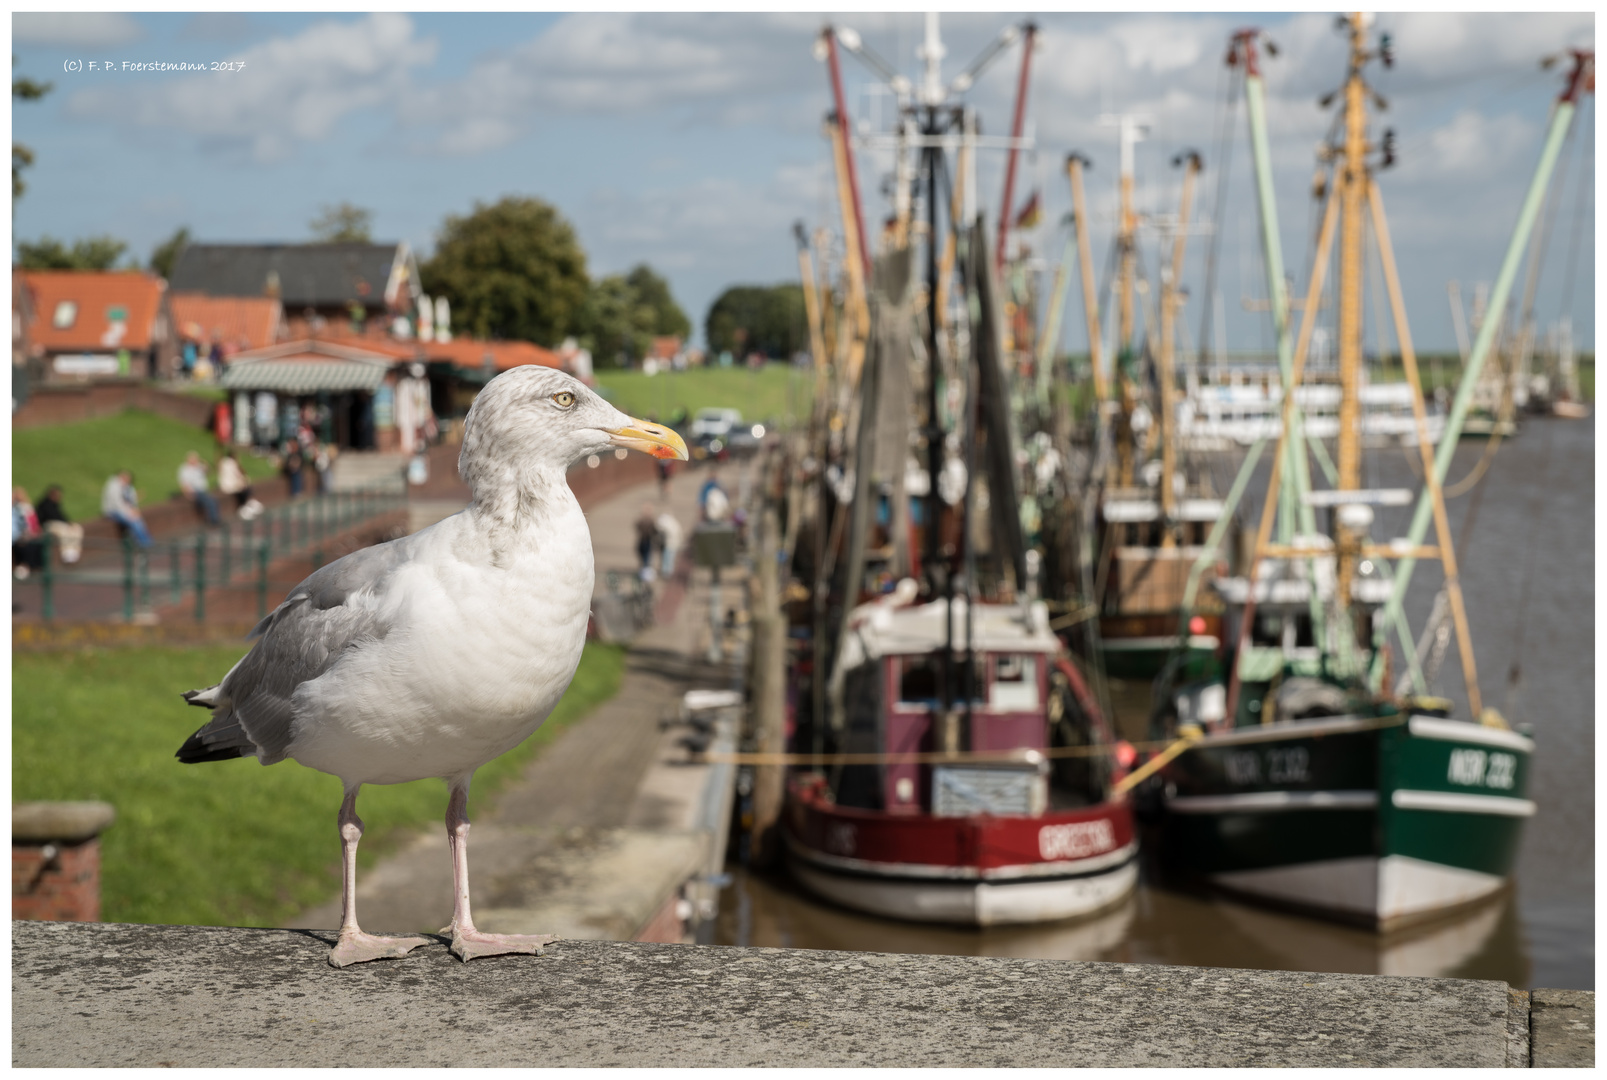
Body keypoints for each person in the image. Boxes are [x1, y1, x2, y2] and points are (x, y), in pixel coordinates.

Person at [102, 471, 152, 548]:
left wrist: (135, 510)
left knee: (138, 519)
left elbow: (132, 500)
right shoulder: (113, 486)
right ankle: (144, 543)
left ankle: (146, 542)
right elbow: (117, 504)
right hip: (113, 512)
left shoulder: (128, 486)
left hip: (126, 510)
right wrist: (129, 512)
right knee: (133, 520)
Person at [35, 484, 83, 564]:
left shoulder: (56, 504)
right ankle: (66, 553)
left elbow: (61, 516)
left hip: (59, 524)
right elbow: (50, 517)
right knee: (63, 530)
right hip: (48, 525)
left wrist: (70, 523)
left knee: (77, 528)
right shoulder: (44, 504)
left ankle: (74, 551)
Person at [178, 451, 221, 526]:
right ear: (189, 460)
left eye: (196, 459)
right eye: (194, 459)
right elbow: (183, 483)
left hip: (203, 491)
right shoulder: (185, 469)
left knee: (214, 500)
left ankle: (215, 519)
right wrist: (187, 494)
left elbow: (209, 471)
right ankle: (214, 521)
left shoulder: (199, 467)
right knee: (210, 502)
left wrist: (204, 462)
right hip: (195, 492)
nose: (196, 460)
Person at [217, 450, 262, 521]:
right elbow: (239, 474)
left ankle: (248, 504)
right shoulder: (232, 463)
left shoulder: (224, 462)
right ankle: (243, 507)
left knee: (244, 486)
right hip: (230, 485)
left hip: (226, 485)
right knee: (244, 486)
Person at [12, 487, 44, 579]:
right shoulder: (15, 509)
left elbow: (31, 523)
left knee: (35, 543)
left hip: (24, 534)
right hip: (17, 536)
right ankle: (24, 566)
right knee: (24, 544)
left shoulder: (25, 507)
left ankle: (33, 566)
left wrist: (33, 532)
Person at [655, 506, 683, 582]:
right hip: (673, 543)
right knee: (670, 558)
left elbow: (660, 529)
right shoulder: (674, 523)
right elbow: (679, 533)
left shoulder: (665, 522)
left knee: (667, 558)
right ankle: (668, 572)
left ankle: (666, 572)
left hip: (669, 544)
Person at [634, 503, 660, 582]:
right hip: (646, 542)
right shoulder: (650, 521)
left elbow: (636, 526)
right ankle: (645, 574)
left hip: (643, 542)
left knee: (644, 559)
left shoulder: (642, 521)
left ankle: (644, 573)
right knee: (646, 558)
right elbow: (655, 531)